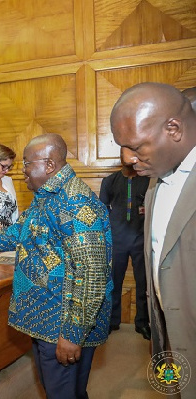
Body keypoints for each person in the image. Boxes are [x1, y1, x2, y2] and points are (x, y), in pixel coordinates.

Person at [0, 134, 112, 399]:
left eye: (26, 164)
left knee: (63, 392)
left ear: (48, 165)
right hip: (48, 318)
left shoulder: (75, 202)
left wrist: (72, 334)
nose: (21, 171)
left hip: (63, 323)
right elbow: (16, 233)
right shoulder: (46, 195)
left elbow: (90, 274)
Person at [111, 82, 196, 397]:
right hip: (170, 337)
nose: (128, 158)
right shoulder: (156, 178)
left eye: (135, 146)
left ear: (173, 129)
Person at [99, 148, 150, 339]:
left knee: (143, 282)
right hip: (116, 240)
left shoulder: (148, 181)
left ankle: (142, 322)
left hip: (140, 239)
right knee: (113, 282)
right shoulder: (110, 181)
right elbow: (102, 212)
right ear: (120, 156)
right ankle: (112, 321)